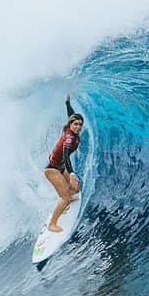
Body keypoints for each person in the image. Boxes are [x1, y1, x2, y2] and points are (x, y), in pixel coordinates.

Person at [44, 96, 84, 232]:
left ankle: (67, 197)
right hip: (52, 170)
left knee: (76, 189)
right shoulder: (69, 137)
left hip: (59, 166)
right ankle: (52, 224)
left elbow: (71, 115)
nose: (78, 127)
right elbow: (66, 155)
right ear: (71, 125)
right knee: (66, 197)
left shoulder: (70, 128)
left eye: (80, 124)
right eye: (75, 124)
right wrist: (71, 173)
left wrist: (67, 103)